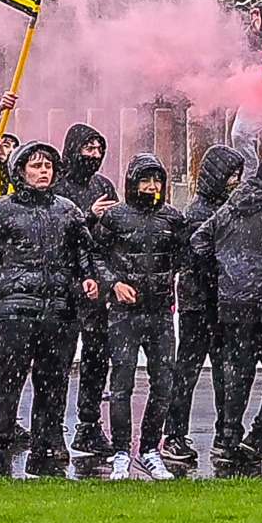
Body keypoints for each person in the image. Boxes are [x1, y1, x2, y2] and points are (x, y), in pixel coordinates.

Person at [0, 142, 109, 477]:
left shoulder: (69, 211)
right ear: (21, 172)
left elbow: (85, 253)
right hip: (13, 313)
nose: (43, 172)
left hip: (59, 313)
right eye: (36, 166)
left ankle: (47, 443)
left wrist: (89, 277)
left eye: (48, 166)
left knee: (53, 384)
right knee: (6, 386)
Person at [95, 153, 191, 480]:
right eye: (145, 180)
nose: (152, 186)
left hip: (161, 314)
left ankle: (150, 449)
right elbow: (96, 257)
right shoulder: (115, 217)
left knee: (164, 383)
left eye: (157, 180)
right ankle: (121, 451)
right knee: (121, 386)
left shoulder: (173, 219)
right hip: (124, 315)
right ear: (132, 182)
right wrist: (114, 284)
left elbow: (185, 257)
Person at [197, 152, 262, 476]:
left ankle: (228, 440)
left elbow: (198, 242)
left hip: (231, 303)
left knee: (238, 374)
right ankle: (260, 431)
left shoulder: (230, 206)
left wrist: (222, 271)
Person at [162, 145, 246, 469]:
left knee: (215, 371)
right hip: (201, 303)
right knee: (194, 370)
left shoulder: (222, 210)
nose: (235, 181)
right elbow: (200, 259)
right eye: (231, 176)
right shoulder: (201, 214)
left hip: (216, 301)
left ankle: (220, 433)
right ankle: (187, 434)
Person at [52, 122, 120, 461]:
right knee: (59, 360)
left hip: (98, 285)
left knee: (97, 358)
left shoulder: (103, 185)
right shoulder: (58, 186)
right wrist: (88, 217)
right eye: (87, 149)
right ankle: (52, 426)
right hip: (65, 285)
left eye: (98, 150)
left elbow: (114, 232)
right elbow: (58, 233)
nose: (93, 156)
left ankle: (89, 425)